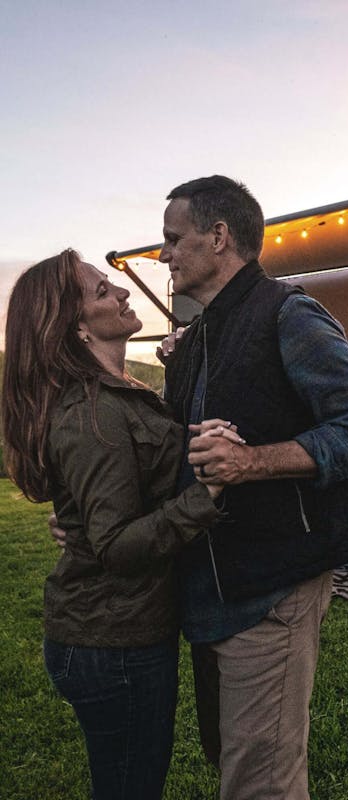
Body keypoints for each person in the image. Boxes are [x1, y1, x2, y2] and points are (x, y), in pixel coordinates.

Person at [159, 175, 348, 800]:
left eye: (172, 239)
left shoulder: (289, 314)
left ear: (218, 236)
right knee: (233, 758)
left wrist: (247, 463)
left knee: (260, 782)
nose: (163, 256)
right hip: (212, 584)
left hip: (271, 586)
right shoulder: (200, 335)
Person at [2, 250, 230, 799]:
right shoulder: (93, 413)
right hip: (114, 645)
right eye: (104, 292)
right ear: (76, 327)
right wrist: (210, 492)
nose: (125, 293)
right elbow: (116, 545)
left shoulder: (119, 394)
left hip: (119, 637)